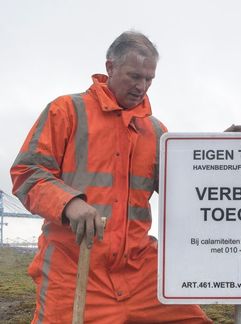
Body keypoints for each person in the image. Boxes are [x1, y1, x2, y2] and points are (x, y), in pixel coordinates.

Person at [11, 31, 221, 323]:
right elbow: (27, 173)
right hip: (75, 269)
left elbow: (186, 187)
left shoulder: (156, 131)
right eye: (134, 76)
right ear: (110, 67)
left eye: (149, 79)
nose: (142, 86)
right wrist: (70, 203)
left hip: (140, 271)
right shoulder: (66, 111)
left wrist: (225, 156)